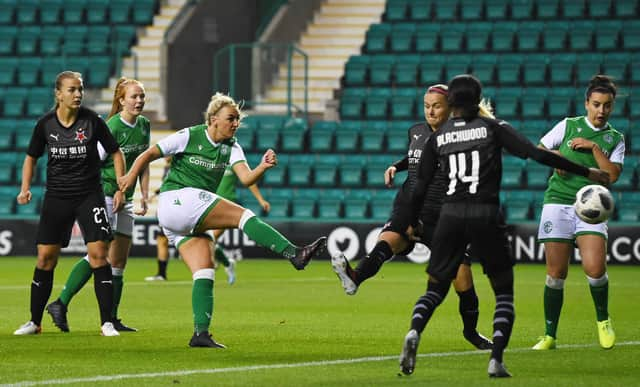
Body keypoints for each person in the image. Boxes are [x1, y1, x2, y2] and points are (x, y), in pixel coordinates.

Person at [397, 74, 609, 377]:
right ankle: (496, 359)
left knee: (435, 287)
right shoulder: (493, 128)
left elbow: (418, 188)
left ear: (452, 102)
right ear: (478, 99)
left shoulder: (438, 137)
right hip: (484, 214)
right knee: (503, 292)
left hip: (450, 216)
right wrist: (587, 172)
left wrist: (410, 222)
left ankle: (415, 330)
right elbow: (538, 154)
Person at [118, 92, 327, 348]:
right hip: (177, 200)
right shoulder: (189, 135)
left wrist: (262, 166)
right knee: (244, 216)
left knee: (205, 270)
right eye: (231, 118)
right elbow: (148, 154)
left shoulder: (232, 146)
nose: (235, 123)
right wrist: (130, 178)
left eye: (238, 119)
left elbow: (246, 179)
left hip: (183, 217)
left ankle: (200, 334)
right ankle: (294, 253)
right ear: (213, 119)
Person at [331, 84, 492, 350]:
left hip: (443, 215)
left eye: (436, 106)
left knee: (463, 281)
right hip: (410, 205)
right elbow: (414, 156)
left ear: (450, 108)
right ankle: (354, 277)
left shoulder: (461, 137)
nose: (430, 110)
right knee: (388, 239)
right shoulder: (416, 131)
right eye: (427, 105)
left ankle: (471, 332)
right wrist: (396, 165)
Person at [13, 71, 125, 337]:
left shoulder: (93, 121)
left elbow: (115, 152)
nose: (78, 94)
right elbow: (31, 157)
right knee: (45, 258)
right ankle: (34, 322)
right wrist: (25, 188)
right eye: (72, 90)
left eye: (80, 89)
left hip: (89, 195)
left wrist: (121, 184)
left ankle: (106, 323)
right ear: (58, 94)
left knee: (99, 255)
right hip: (57, 197)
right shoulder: (45, 124)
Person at [45, 77, 151, 333]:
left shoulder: (144, 125)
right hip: (105, 195)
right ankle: (61, 302)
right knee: (99, 254)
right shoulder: (111, 126)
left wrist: (144, 195)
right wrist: (113, 190)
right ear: (121, 100)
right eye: (133, 97)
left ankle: (113, 317)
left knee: (119, 261)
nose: (139, 101)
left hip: (124, 197)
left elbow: (143, 162)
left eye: (141, 96)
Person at [532, 75, 624, 351]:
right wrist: (557, 160)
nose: (601, 111)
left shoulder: (615, 138)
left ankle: (603, 320)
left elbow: (612, 176)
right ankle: (549, 335)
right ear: (586, 103)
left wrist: (593, 147)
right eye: (596, 104)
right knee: (555, 273)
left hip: (592, 210)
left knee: (595, 269)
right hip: (558, 201)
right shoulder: (568, 125)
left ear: (612, 107)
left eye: (607, 106)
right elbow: (540, 149)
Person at [145, 163, 272, 285]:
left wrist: (260, 200)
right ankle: (226, 263)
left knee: (210, 239)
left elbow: (249, 181)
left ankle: (217, 265)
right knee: (204, 239)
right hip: (207, 205)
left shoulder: (232, 159)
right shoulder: (209, 161)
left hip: (227, 204)